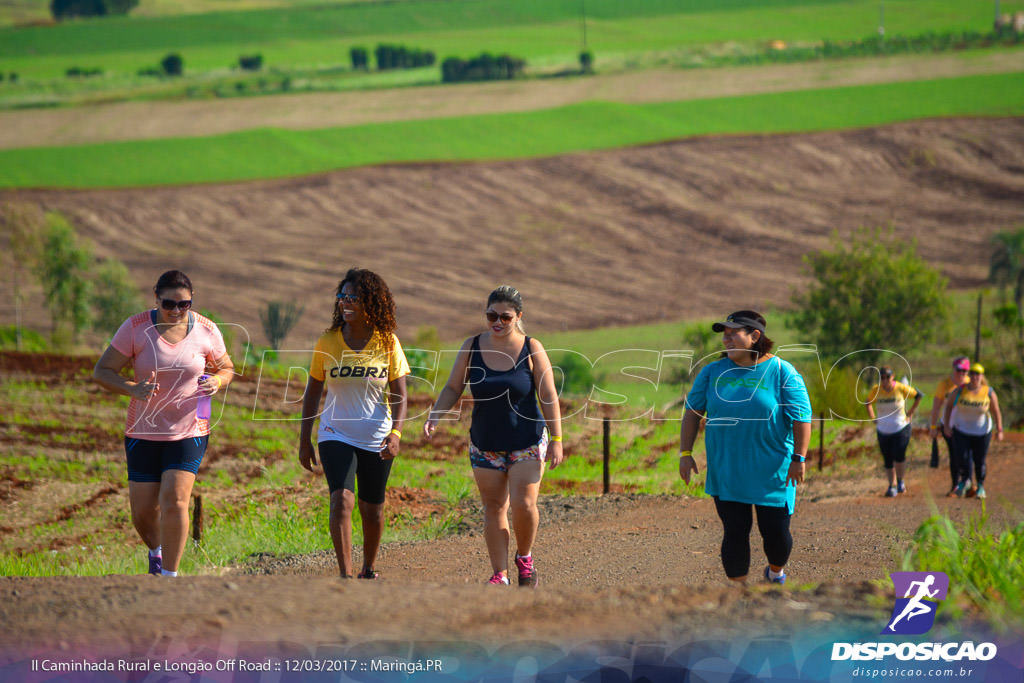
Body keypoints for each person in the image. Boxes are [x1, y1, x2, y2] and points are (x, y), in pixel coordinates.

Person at [93, 270, 233, 577]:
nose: (176, 311)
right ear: (156, 298)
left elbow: (227, 367)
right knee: (142, 513)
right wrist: (132, 389)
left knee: (175, 498)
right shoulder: (135, 327)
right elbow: (102, 371)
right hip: (143, 430)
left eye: (184, 304)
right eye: (169, 304)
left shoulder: (207, 330)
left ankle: (170, 577)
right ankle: (156, 552)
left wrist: (218, 383)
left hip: (189, 429)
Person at [423, 285, 563, 587]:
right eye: (491, 315)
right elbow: (452, 387)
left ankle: (524, 558)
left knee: (524, 504)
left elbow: (548, 394)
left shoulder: (531, 348)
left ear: (518, 317)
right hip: (485, 443)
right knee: (494, 507)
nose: (497, 322)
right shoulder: (472, 346)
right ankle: (499, 573)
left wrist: (557, 438)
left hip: (526, 439)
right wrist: (436, 414)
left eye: (505, 317)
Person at [679, 310, 812, 586]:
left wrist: (799, 457)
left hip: (774, 472)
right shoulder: (712, 372)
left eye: (732, 333)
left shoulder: (781, 371)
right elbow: (692, 412)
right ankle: (740, 596)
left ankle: (775, 573)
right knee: (735, 531)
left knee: (775, 535)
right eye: (724, 334)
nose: (726, 339)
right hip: (727, 471)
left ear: (754, 336)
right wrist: (685, 453)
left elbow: (802, 416)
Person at [298, 268, 409, 579]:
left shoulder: (387, 342)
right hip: (335, 433)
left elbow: (400, 394)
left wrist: (396, 434)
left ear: (371, 303)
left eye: (354, 298)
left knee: (372, 509)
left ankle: (368, 568)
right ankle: (345, 576)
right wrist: (304, 439)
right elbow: (312, 393)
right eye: (342, 297)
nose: (346, 303)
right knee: (341, 501)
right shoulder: (327, 342)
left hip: (377, 436)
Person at [943, 363, 1003, 500]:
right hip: (961, 430)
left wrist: (999, 429)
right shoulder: (960, 390)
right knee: (962, 457)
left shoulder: (988, 392)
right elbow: (948, 407)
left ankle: (980, 486)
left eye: (978, 374)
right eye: (973, 373)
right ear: (969, 375)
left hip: (982, 431)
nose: (975, 376)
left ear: (982, 376)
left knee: (979, 460)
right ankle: (966, 481)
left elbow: (996, 411)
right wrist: (946, 425)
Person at [866, 366, 922, 497]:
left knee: (899, 455)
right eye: (882, 378)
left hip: (900, 427)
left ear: (892, 377)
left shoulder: (900, 388)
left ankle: (901, 481)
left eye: (887, 377)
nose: (884, 380)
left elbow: (918, 396)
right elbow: (867, 402)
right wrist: (873, 418)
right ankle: (892, 485)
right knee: (887, 458)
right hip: (883, 429)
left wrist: (911, 412)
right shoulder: (876, 390)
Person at [929, 356, 970, 496]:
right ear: (953, 369)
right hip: (949, 426)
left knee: (966, 456)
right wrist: (933, 427)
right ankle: (955, 485)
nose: (962, 374)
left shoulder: (971, 384)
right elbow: (936, 407)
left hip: (966, 427)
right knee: (955, 455)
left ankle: (967, 483)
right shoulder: (944, 385)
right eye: (959, 370)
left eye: (965, 371)